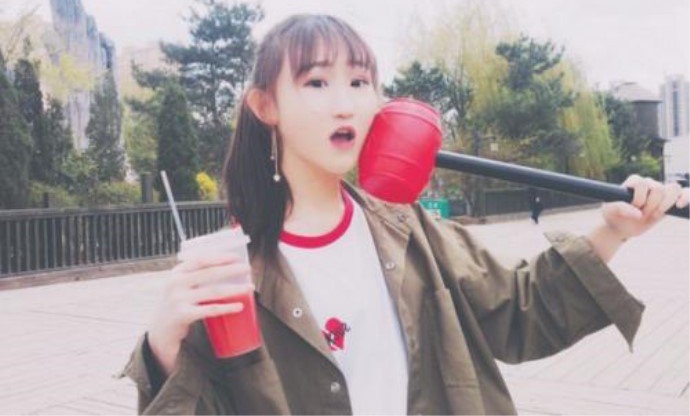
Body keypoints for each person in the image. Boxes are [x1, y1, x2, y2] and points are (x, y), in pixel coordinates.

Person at [123, 14, 690, 415]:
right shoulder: (231, 273)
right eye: (316, 81)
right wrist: (163, 347)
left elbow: (520, 313)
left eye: (359, 81)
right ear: (265, 105)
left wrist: (612, 231)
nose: (345, 102)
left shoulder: (407, 227)